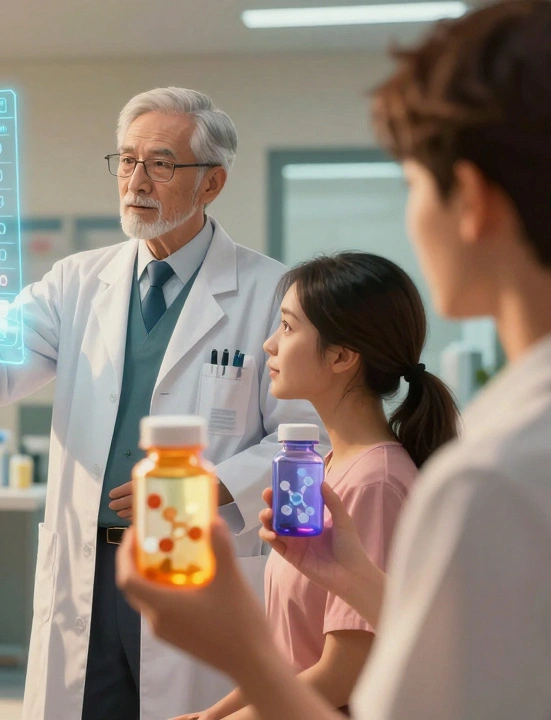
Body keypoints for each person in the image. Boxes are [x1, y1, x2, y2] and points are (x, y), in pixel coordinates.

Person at [116, 2, 551, 718]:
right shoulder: (524, 443)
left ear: (472, 201)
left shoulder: (497, 478)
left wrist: (238, 648)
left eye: (413, 184)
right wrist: (353, 577)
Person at [0, 87, 323, 718]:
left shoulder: (271, 290)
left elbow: (306, 434)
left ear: (212, 183)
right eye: (126, 160)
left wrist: (214, 486)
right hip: (89, 568)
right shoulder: (77, 281)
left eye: (161, 163)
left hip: (196, 566)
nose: (136, 181)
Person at [184, 253, 458, 720]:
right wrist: (213, 714)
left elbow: (342, 674)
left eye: (287, 327)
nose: (269, 344)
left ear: (342, 356)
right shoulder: (327, 467)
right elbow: (292, 656)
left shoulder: (376, 482)